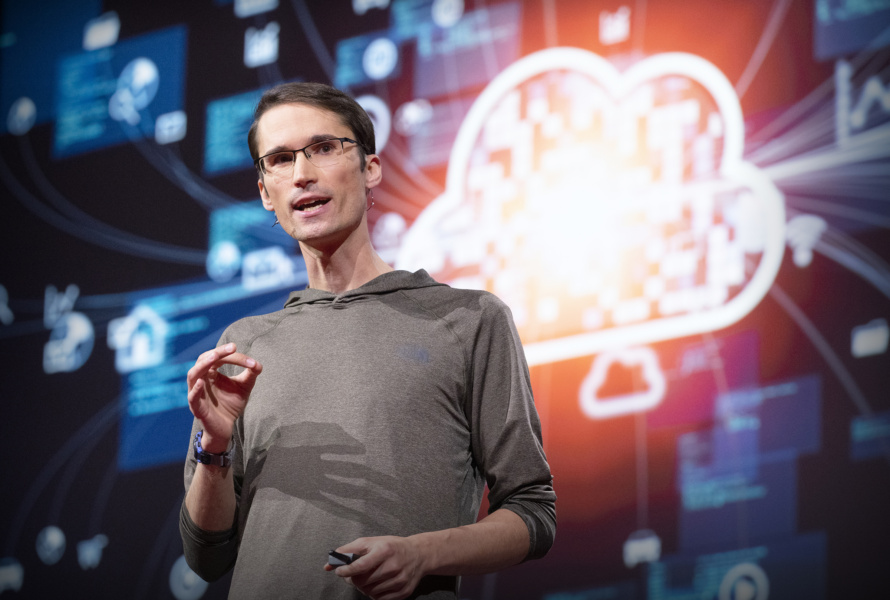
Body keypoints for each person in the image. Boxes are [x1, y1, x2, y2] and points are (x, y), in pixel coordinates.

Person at [180, 82, 556, 600]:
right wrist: (216, 446)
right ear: (267, 192)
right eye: (281, 159)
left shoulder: (467, 319)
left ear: (370, 167)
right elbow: (207, 555)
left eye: (324, 148)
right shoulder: (243, 345)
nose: (303, 173)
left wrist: (422, 554)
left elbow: (533, 512)